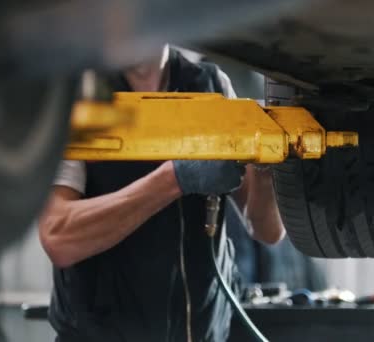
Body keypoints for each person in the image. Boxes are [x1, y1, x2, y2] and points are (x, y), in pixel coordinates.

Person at [39, 45, 285, 342]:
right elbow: (58, 236)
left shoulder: (212, 87)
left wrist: (265, 171)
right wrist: (173, 180)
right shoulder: (82, 96)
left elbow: (268, 231)